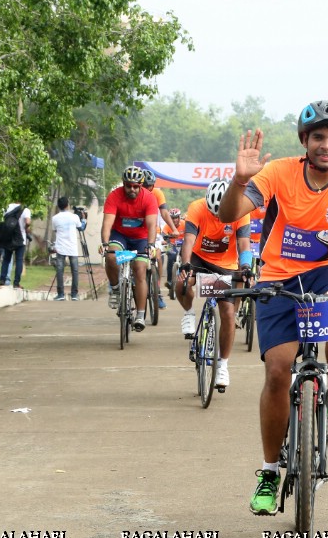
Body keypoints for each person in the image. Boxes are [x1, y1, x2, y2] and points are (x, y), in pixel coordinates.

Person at [217, 99, 328, 516]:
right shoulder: (278, 173)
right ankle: (268, 472)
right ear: (304, 141)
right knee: (278, 371)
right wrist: (239, 182)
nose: (326, 145)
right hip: (277, 277)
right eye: (318, 137)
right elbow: (229, 215)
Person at [176, 180, 251, 389]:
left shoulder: (241, 210)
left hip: (226, 265)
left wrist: (245, 266)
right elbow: (189, 241)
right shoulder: (197, 207)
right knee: (182, 281)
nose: (218, 219)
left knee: (228, 313)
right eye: (214, 213)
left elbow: (244, 243)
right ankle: (189, 314)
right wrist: (185, 264)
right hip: (200, 259)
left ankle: (223, 364)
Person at [100, 166, 159, 331]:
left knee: (140, 269)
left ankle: (140, 315)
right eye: (128, 185)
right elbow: (107, 224)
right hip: (120, 236)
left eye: (135, 186)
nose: (131, 189)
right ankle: (116, 289)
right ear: (123, 184)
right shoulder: (114, 196)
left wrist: (151, 245)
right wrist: (105, 244)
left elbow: (152, 224)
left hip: (141, 238)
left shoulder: (149, 198)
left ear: (141, 185)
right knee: (111, 257)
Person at [142, 168, 178, 311]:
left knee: (158, 257)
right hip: (137, 232)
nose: (149, 189)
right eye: (146, 186)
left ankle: (157, 291)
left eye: (151, 185)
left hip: (154, 232)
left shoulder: (157, 193)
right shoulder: (135, 194)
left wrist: (173, 228)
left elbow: (163, 212)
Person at [50, 197, 87, 301]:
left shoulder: (55, 218)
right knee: (75, 270)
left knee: (60, 270)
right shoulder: (74, 217)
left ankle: (60, 294)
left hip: (60, 247)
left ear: (59, 206)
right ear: (67, 205)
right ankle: (74, 295)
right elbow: (81, 228)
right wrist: (84, 219)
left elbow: (56, 231)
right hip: (72, 247)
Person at [0, 201, 32, 288]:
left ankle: (2, 279)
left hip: (8, 238)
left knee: (6, 259)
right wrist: (26, 229)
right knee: (19, 260)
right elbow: (27, 222)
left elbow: (0, 222)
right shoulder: (25, 209)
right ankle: (16, 283)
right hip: (20, 239)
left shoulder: (7, 207)